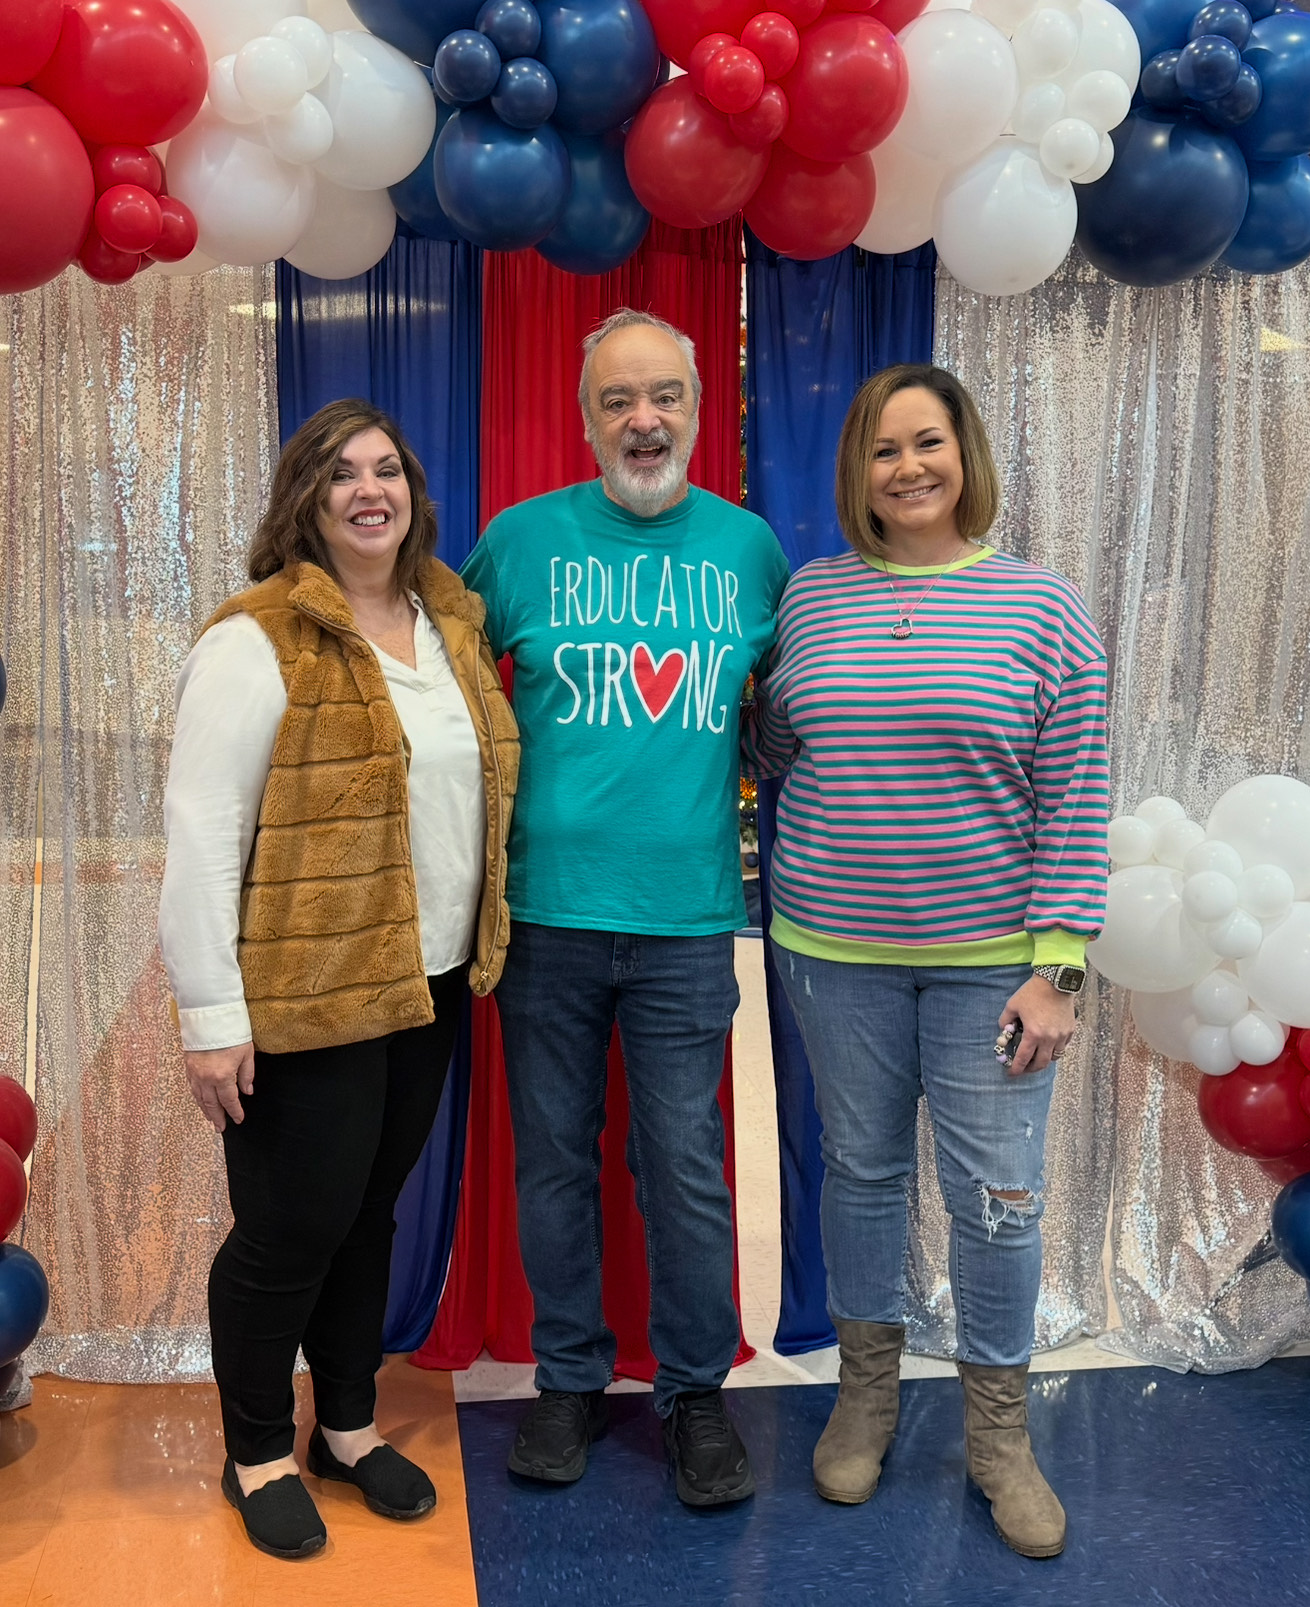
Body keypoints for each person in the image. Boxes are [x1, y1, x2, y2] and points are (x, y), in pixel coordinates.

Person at [743, 365, 1108, 1557]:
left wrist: (1060, 972)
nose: (907, 467)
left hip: (991, 967)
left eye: (927, 442)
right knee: (859, 1174)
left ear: (965, 454)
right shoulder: (811, 599)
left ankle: (998, 1433)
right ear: (857, 471)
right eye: (883, 449)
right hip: (830, 951)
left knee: (999, 1204)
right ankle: (867, 1392)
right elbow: (779, 747)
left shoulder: (1042, 608)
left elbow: (1075, 797)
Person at [158, 399, 519, 1560]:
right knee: (287, 1228)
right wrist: (212, 1019)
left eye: (388, 470)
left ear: (413, 490)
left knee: (369, 1216)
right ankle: (257, 1444)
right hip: (303, 992)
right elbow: (204, 835)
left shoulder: (448, 622)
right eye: (341, 476)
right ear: (304, 503)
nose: (372, 490)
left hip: (425, 984)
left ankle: (346, 1428)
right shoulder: (257, 637)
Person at [460, 309, 788, 1506]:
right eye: (617, 400)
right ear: (587, 413)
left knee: (686, 1166)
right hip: (544, 917)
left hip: (690, 922)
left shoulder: (752, 551)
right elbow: (439, 687)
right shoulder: (519, 542)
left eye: (664, 397)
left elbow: (789, 718)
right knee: (552, 1161)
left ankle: (695, 1391)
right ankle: (566, 1378)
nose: (643, 420)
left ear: (699, 409)